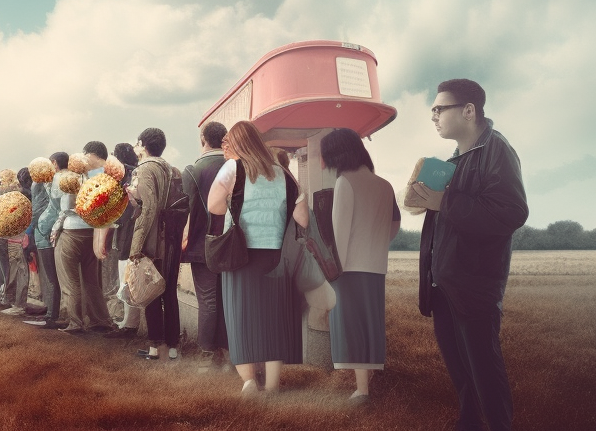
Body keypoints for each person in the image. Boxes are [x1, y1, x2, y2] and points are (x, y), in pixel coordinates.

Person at [407, 79, 528, 430]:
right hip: (445, 280)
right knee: (460, 368)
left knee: (483, 368)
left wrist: (445, 202)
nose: (433, 116)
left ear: (469, 111)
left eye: (439, 108)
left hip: (474, 284)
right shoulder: (456, 159)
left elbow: (511, 212)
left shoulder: (496, 150)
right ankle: (470, 422)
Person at [289, 128, 396, 404]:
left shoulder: (345, 182)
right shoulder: (384, 184)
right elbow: (394, 225)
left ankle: (362, 391)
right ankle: (368, 379)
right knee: (371, 323)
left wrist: (332, 271)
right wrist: (376, 242)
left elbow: (337, 234)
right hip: (375, 265)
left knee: (352, 325)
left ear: (337, 154)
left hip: (348, 268)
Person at [208, 121, 301, 394]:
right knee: (272, 320)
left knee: (240, 317)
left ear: (237, 145)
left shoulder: (233, 168)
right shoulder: (283, 173)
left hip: (240, 253)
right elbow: (300, 214)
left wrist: (233, 202)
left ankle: (249, 381)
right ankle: (272, 386)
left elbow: (214, 206)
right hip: (274, 254)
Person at [127, 128, 184, 360]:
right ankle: (172, 348)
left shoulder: (144, 169)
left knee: (150, 290)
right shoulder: (173, 170)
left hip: (153, 239)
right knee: (169, 292)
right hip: (172, 237)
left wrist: (136, 246)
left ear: (142, 144)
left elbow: (147, 209)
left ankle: (155, 348)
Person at [182, 122, 230, 370]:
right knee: (228, 299)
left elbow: (186, 212)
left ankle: (207, 354)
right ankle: (231, 352)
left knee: (208, 300)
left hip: (203, 244)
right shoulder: (235, 166)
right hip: (232, 244)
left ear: (203, 139)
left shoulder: (194, 169)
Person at [52, 149, 112, 334]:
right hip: (91, 231)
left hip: (70, 231)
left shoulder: (63, 178)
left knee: (71, 281)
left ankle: (76, 322)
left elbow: (55, 201)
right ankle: (100, 320)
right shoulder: (96, 178)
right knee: (92, 280)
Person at [104, 142, 144, 338]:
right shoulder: (138, 172)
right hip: (137, 231)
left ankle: (129, 324)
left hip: (126, 232)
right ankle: (130, 322)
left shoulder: (121, 176)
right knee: (131, 278)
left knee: (126, 279)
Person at [26, 153, 67, 330]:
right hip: (47, 231)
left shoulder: (48, 183)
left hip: (46, 232)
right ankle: (51, 312)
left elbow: (40, 210)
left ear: (54, 164)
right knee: (51, 276)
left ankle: (52, 315)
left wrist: (34, 230)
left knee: (51, 277)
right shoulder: (52, 182)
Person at [0, 170, 32, 316]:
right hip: (17, 236)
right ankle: (16, 303)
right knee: (17, 269)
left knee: (19, 270)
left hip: (18, 237)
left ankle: (19, 305)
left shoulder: (22, 195)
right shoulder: (27, 193)